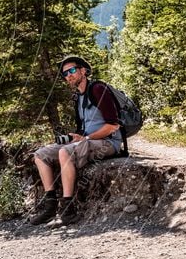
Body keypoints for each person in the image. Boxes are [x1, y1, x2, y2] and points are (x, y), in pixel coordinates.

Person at [29, 55, 122, 225]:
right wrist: (77, 137)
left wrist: (85, 138)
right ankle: (50, 207)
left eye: (72, 70)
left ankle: (68, 210)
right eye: (65, 74)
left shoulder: (98, 89)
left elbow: (113, 125)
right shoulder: (78, 97)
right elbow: (82, 129)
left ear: (83, 71)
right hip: (88, 142)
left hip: (109, 142)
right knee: (40, 155)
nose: (68, 76)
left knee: (65, 151)